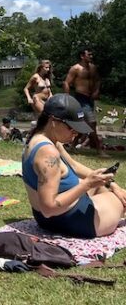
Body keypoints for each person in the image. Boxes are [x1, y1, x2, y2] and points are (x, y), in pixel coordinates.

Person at [22, 94, 125, 238]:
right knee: (120, 198)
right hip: (72, 220)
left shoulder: (42, 139)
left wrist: (110, 183)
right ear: (53, 121)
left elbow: (74, 166)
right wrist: (87, 184)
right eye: (72, 128)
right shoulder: (48, 153)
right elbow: (48, 208)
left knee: (107, 188)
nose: (75, 134)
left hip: (49, 219)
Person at [63, 47, 104, 156]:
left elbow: (98, 80)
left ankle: (72, 146)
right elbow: (66, 83)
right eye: (88, 54)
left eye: (91, 54)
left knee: (83, 124)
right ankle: (99, 150)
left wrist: (96, 91)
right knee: (92, 123)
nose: (91, 56)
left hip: (89, 99)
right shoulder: (75, 68)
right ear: (82, 56)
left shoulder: (93, 68)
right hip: (80, 98)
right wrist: (67, 97)